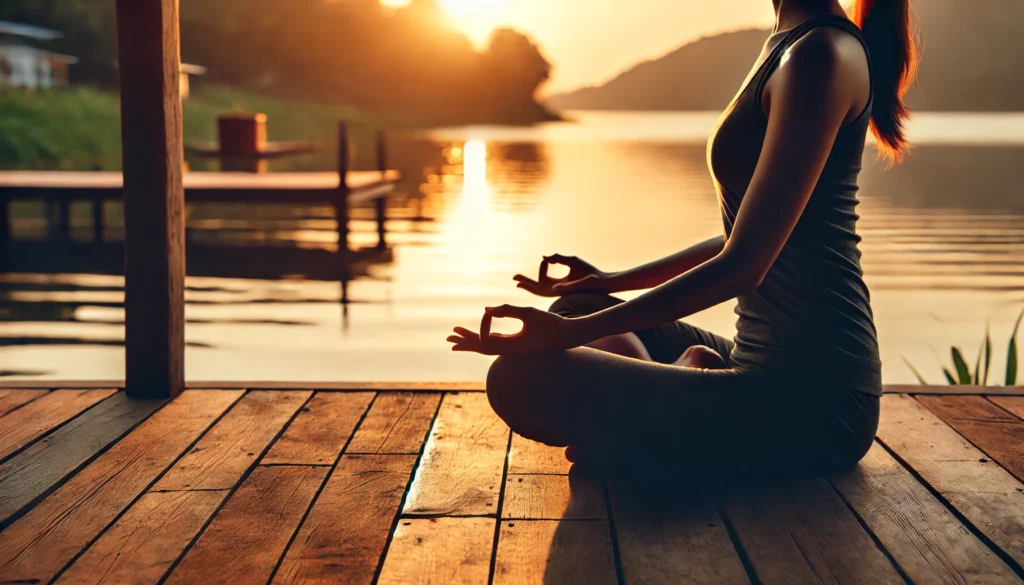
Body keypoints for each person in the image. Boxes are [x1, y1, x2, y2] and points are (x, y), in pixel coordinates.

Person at [447, 0, 918, 480]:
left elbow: (744, 265)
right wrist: (612, 280)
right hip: (753, 360)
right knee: (581, 306)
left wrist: (570, 338)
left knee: (516, 376)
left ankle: (659, 425)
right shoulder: (791, 42)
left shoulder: (821, 54)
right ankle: (672, 400)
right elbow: (746, 237)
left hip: (815, 403)